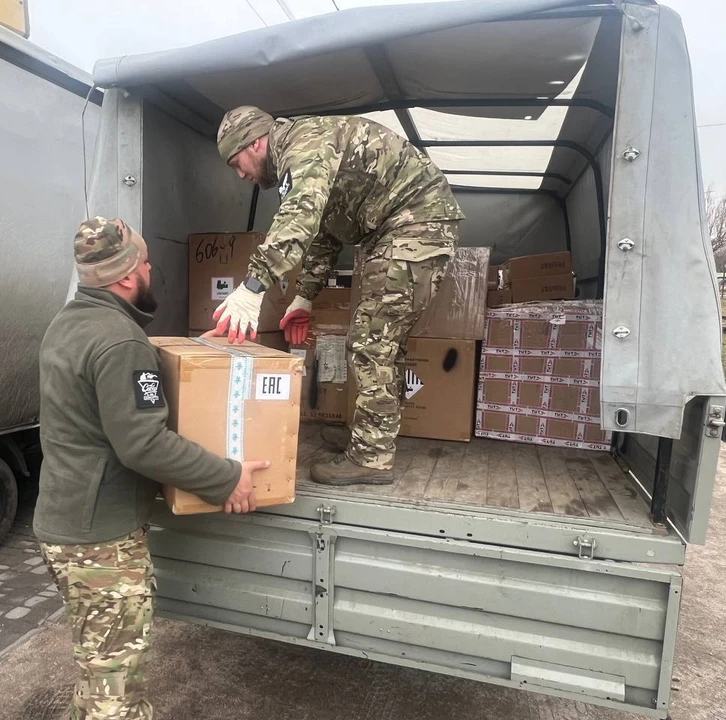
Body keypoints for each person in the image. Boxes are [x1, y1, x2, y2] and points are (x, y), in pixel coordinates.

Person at [34, 216, 269, 719]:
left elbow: (106, 402)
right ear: (125, 277)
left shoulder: (69, 322)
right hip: (101, 541)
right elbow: (142, 444)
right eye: (145, 263)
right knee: (114, 695)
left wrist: (197, 353)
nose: (151, 269)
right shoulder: (122, 342)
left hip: (66, 522)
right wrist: (228, 476)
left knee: (99, 670)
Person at [212, 106, 464, 486]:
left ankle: (372, 457)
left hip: (415, 224)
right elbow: (325, 231)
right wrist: (304, 298)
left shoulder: (305, 145)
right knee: (380, 343)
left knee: (370, 344)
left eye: (238, 162)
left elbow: (300, 217)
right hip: (400, 227)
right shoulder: (299, 155)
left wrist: (254, 286)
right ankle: (370, 437)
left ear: (256, 142)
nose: (241, 175)